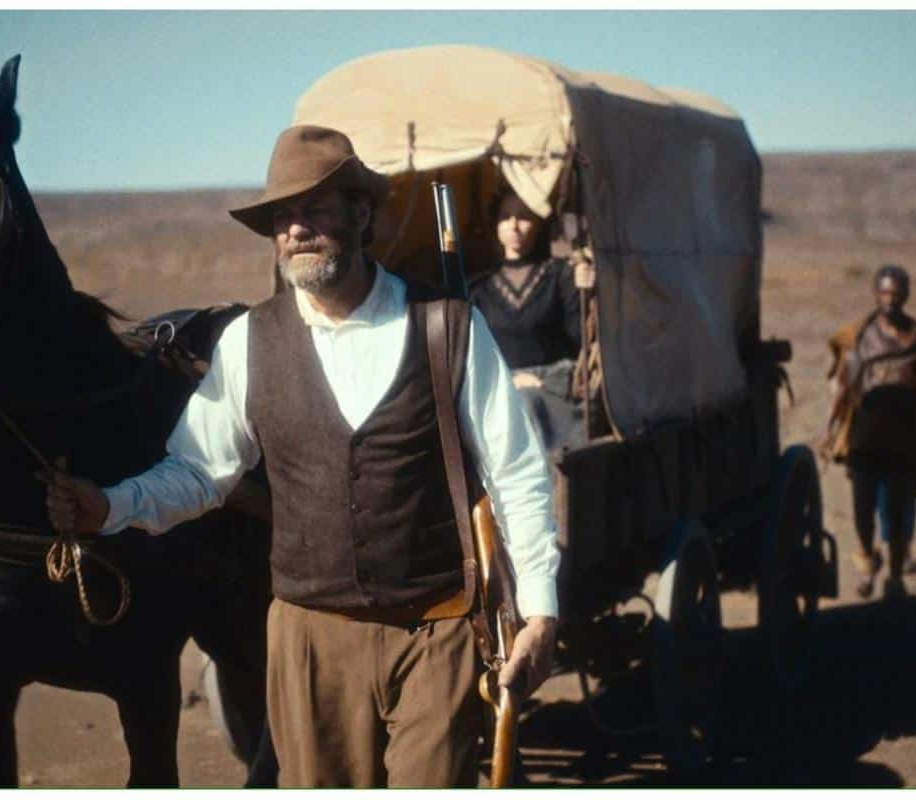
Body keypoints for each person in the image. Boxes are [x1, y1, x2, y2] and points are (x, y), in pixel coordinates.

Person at [42, 125, 560, 787]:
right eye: (282, 216)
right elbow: (200, 470)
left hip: (435, 634)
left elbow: (515, 471)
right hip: (308, 643)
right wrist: (108, 506)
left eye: (315, 208)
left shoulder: (448, 325)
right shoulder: (250, 343)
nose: (295, 229)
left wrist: (540, 610)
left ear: (361, 212)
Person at [822, 264, 916, 600]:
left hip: (905, 444)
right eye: (884, 293)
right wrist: (829, 433)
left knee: (896, 512)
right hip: (864, 443)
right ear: (876, 294)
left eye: (896, 293)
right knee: (863, 514)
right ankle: (866, 564)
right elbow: (841, 389)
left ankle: (894, 578)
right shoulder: (860, 338)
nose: (890, 300)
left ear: (905, 295)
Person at [468, 185, 584, 452]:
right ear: (495, 226)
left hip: (555, 389)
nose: (514, 226)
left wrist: (586, 288)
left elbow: (580, 339)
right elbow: (474, 355)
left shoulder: (560, 276)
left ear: (538, 223)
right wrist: (511, 381)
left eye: (523, 217)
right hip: (500, 390)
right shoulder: (478, 289)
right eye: (505, 217)